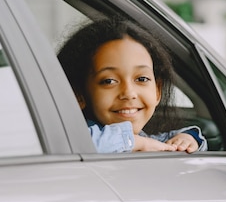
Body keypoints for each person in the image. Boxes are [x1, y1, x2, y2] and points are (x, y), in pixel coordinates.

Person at [57, 17, 207, 153]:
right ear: (78, 95)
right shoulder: (79, 135)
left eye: (141, 79)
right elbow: (72, 144)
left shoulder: (144, 140)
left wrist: (188, 138)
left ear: (157, 90)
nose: (129, 92)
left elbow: (162, 143)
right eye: (109, 81)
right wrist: (136, 143)